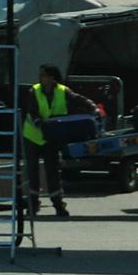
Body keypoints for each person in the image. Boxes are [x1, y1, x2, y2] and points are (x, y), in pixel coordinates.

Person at [20, 64, 94, 218]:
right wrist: (40, 123)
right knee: (32, 172)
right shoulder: (34, 91)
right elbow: (32, 112)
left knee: (52, 172)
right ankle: (33, 205)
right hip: (33, 136)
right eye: (40, 75)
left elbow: (78, 99)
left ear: (52, 78)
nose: (41, 78)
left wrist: (92, 107)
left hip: (51, 137)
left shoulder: (62, 91)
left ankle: (58, 205)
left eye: (44, 75)